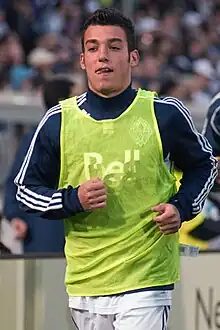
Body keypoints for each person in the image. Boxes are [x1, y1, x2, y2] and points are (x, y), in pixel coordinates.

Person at [14, 8, 217, 330]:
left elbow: (204, 164)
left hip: (146, 276)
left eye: (114, 47)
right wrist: (72, 199)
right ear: (82, 60)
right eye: (92, 48)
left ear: (133, 57)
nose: (102, 56)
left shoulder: (163, 113)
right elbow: (26, 191)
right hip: (87, 280)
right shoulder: (58, 120)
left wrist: (182, 207)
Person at [3, 77, 74, 253]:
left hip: (73, 235)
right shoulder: (38, 138)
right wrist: (15, 217)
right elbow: (16, 182)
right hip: (45, 235)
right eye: (78, 96)